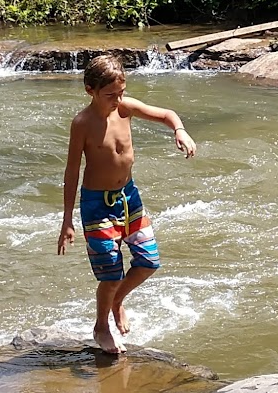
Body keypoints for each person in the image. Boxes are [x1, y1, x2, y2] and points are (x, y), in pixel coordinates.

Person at [58, 54, 195, 355]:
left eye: (121, 92)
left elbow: (166, 114)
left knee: (149, 261)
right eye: (110, 95)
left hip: (128, 198)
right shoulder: (82, 123)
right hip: (97, 205)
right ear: (90, 91)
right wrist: (67, 220)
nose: (117, 99)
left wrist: (179, 130)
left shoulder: (125, 107)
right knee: (110, 272)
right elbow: (71, 171)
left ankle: (117, 301)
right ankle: (101, 325)